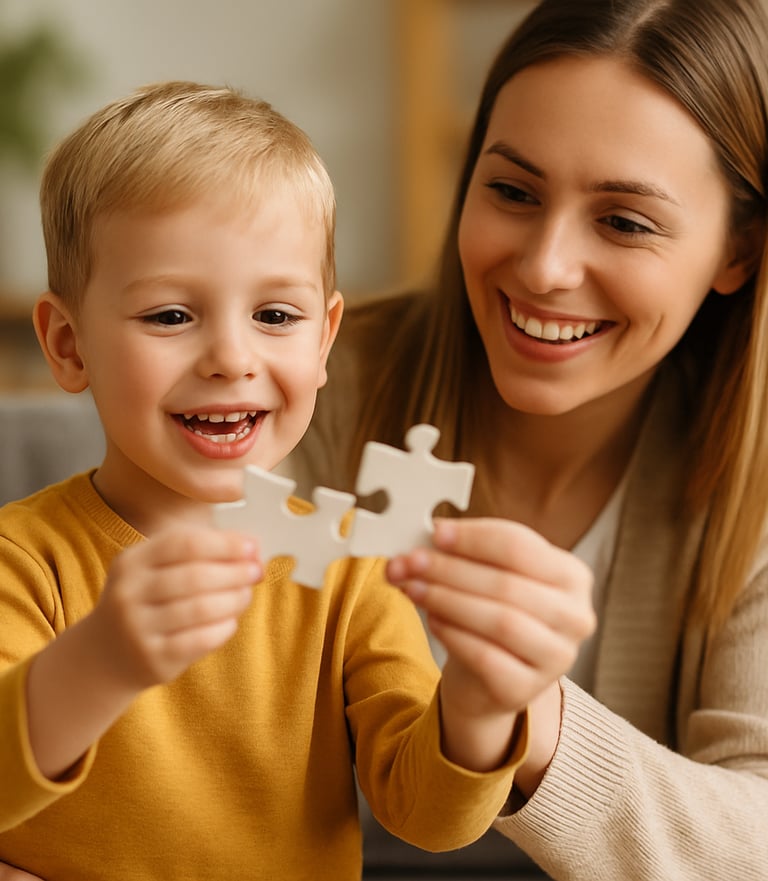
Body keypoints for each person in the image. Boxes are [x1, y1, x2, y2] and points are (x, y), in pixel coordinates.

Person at [0, 81, 596, 880]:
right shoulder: (23, 558)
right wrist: (100, 660)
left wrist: (484, 701)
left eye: (275, 317)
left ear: (325, 340)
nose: (231, 358)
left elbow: (427, 816)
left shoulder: (350, 570)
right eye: (171, 316)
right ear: (68, 346)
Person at [290, 0, 768, 878]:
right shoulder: (308, 385)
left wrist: (535, 719)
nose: (545, 267)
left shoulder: (756, 478)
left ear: (737, 250)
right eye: (512, 191)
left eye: (624, 221)